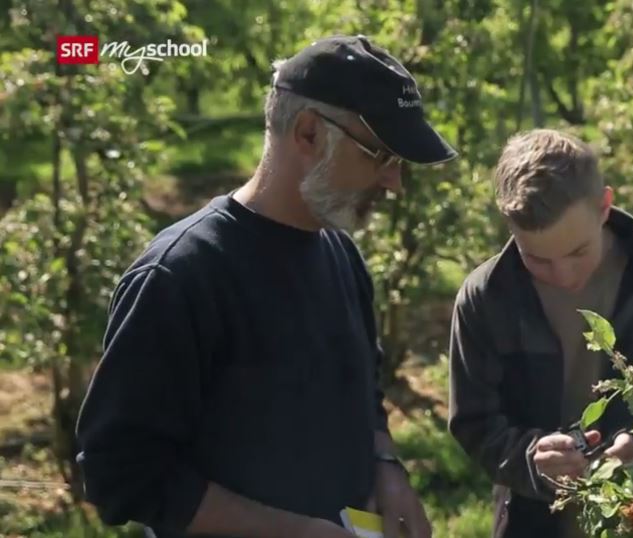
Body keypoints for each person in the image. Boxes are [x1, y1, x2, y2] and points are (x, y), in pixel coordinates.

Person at [75, 35, 457, 538]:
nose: (394, 183)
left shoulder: (341, 256)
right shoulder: (180, 276)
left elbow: (363, 391)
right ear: (307, 133)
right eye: (380, 155)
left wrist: (386, 464)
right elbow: (120, 472)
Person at [448, 129, 633, 538]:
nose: (565, 276)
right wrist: (531, 459)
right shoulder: (486, 298)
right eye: (537, 258)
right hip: (532, 523)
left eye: (577, 252)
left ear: (604, 206)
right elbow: (475, 422)